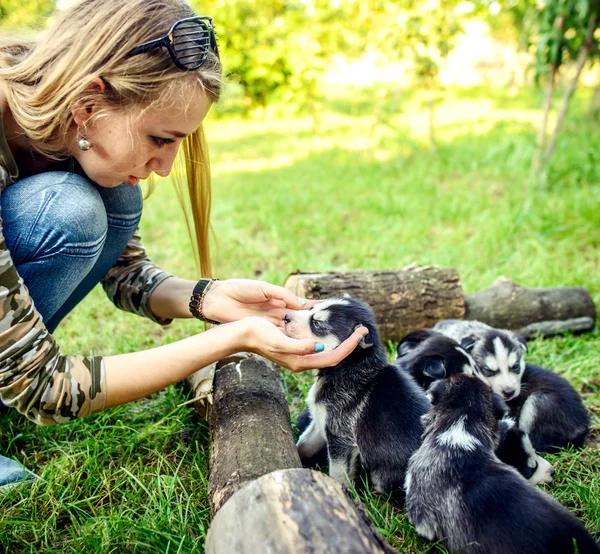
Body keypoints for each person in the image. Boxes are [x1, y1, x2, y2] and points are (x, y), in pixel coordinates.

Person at [0, 0, 367, 489]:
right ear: (88, 105)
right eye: (159, 139)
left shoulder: (65, 118)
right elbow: (47, 388)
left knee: (116, 198)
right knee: (70, 211)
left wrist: (207, 298)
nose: (167, 166)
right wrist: (231, 339)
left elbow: (125, 274)